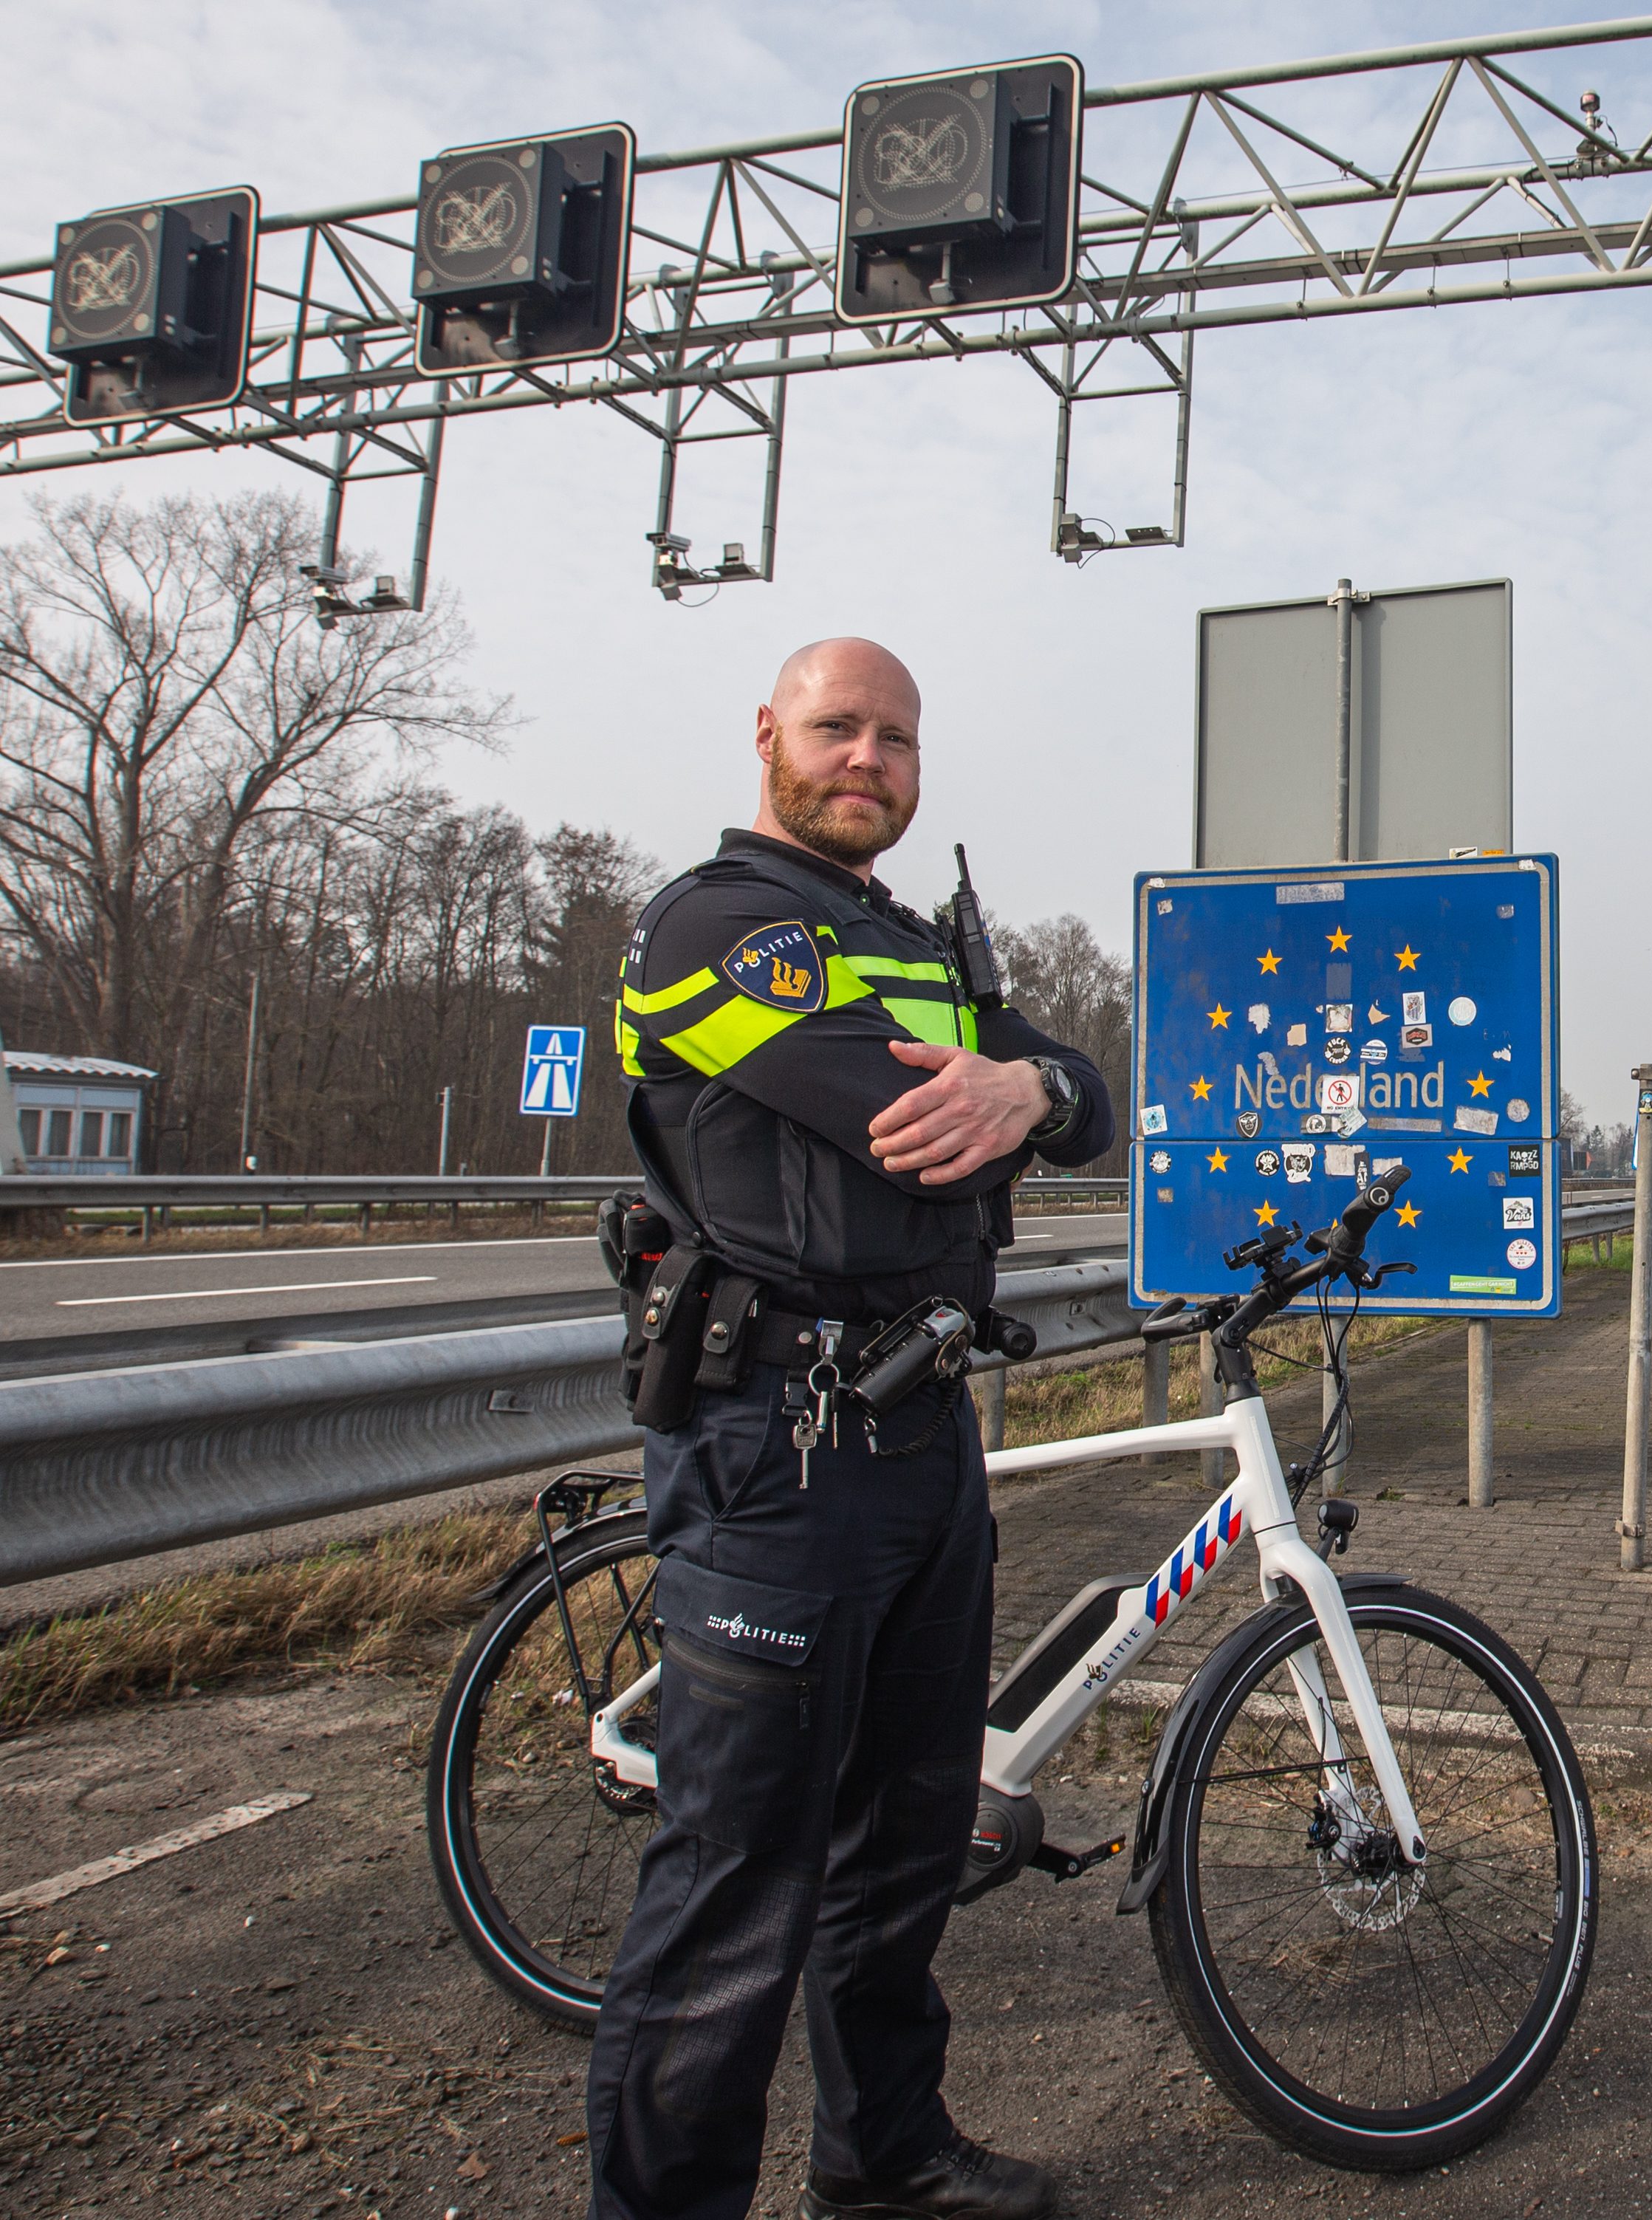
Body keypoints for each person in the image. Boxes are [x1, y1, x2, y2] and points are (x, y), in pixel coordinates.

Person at [588, 637, 1114, 2220]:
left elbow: (1069, 1079)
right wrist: (1014, 1097)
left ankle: (881, 2162)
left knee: (900, 1851)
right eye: (835, 729)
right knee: (737, 1891)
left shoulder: (905, 932)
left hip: (920, 1434)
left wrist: (1031, 1093)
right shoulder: (712, 923)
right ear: (769, 735)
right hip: (778, 1447)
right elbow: (910, 1128)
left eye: (893, 737)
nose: (866, 759)